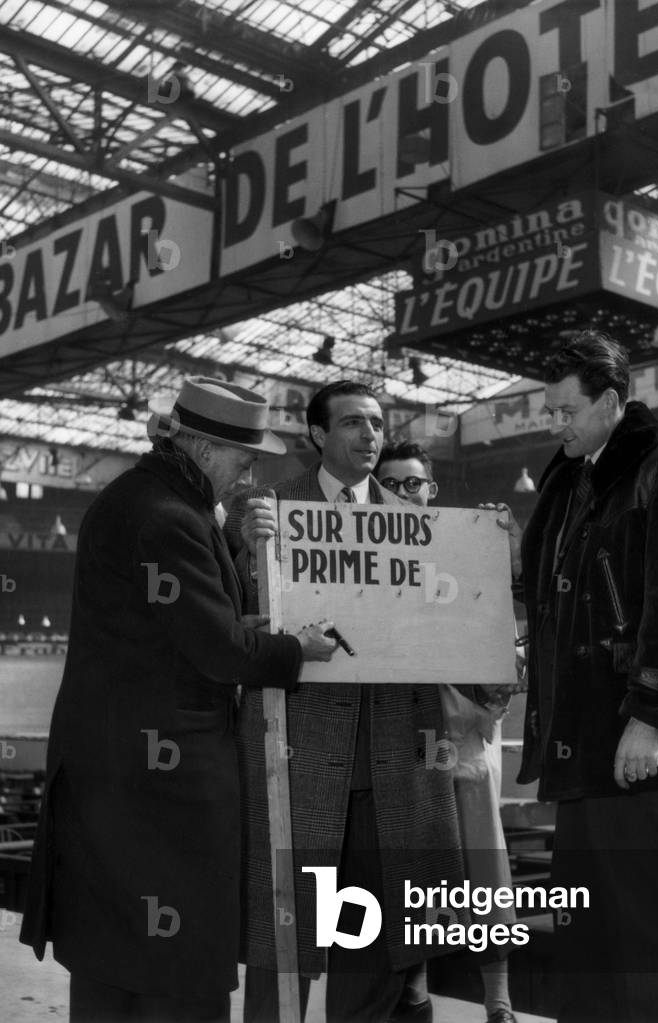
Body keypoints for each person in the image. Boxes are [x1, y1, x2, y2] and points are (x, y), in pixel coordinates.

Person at [19, 377, 339, 1023]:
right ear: (205, 449)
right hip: (165, 781)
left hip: (114, 770)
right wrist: (295, 648)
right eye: (244, 458)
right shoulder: (171, 518)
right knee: (180, 959)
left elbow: (169, 628)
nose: (248, 474)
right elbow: (219, 653)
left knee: (111, 956)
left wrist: (238, 613)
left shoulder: (137, 498)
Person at [501, 331, 658, 1023]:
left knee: (654, 922)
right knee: (591, 927)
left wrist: (648, 717)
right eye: (549, 409)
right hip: (578, 742)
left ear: (610, 402)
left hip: (632, 738)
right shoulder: (574, 482)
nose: (555, 423)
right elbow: (561, 597)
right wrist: (512, 556)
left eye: (566, 410)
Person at [226, 381, 469, 1023]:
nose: (370, 435)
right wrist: (250, 552)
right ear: (317, 434)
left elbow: (451, 623)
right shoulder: (266, 510)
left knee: (376, 942)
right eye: (354, 423)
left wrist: (484, 560)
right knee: (284, 939)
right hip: (297, 761)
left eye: (378, 424)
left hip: (395, 764)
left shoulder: (418, 524)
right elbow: (232, 620)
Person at [376, 442, 518, 1023]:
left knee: (485, 872)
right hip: (402, 744)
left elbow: (505, 633)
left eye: (414, 483)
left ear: (431, 490)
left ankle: (499, 1003)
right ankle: (415, 994)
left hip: (467, 741)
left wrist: (503, 544)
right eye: (390, 483)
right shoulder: (361, 560)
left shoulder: (466, 549)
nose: (403, 493)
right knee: (414, 873)